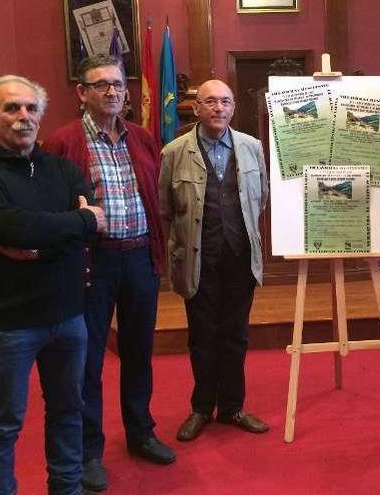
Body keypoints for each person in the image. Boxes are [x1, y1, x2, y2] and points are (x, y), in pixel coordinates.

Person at [0, 75, 108, 494]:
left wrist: (43, 238)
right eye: (11, 108)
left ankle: (67, 488)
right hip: (10, 322)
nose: (23, 116)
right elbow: (13, 226)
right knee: (4, 423)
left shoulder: (63, 169)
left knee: (68, 411)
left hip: (68, 315)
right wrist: (69, 226)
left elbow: (94, 224)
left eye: (30, 108)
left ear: (40, 115)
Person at [42, 55, 173, 492]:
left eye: (118, 84)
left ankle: (140, 433)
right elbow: (48, 207)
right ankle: (89, 451)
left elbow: (155, 198)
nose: (112, 92)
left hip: (139, 259)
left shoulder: (141, 138)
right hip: (90, 264)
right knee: (89, 361)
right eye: (100, 85)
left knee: (138, 352)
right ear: (82, 92)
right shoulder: (62, 142)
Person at [159, 79, 270, 442]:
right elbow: (165, 209)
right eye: (210, 102)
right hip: (198, 261)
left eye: (225, 101)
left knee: (236, 335)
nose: (218, 108)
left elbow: (262, 198)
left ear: (233, 107)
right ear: (196, 108)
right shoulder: (174, 152)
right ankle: (202, 408)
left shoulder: (252, 148)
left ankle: (233, 407)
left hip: (239, 258)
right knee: (202, 337)